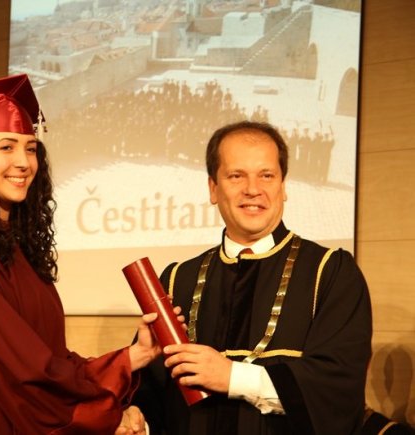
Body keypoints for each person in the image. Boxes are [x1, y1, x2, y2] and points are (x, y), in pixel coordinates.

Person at [0, 74, 168, 434]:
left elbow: (49, 361)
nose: (23, 162)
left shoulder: (16, 250)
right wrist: (106, 418)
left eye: (31, 148)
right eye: (6, 147)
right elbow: (18, 370)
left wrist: (133, 356)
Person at [132, 121, 373, 434]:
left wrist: (232, 377)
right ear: (213, 189)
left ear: (283, 186)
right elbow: (152, 393)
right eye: (236, 176)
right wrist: (137, 418)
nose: (252, 189)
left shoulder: (330, 272)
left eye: (266, 175)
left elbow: (338, 388)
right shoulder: (178, 278)